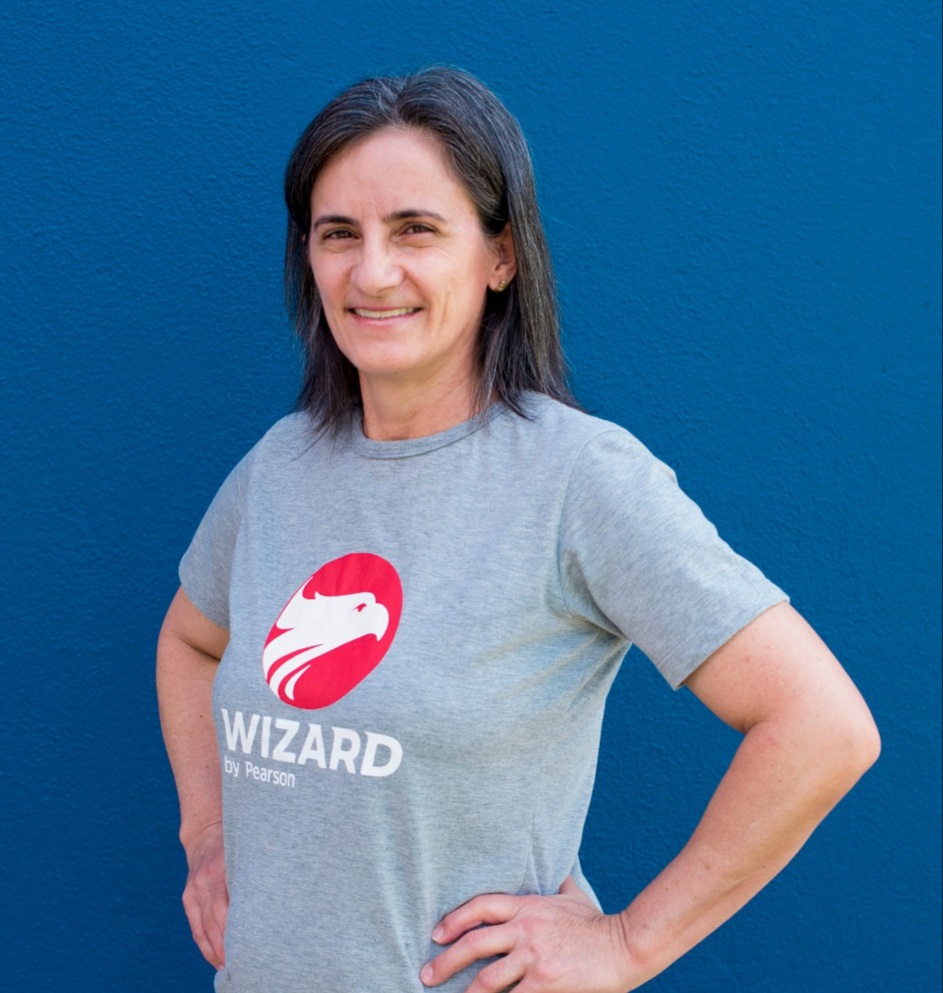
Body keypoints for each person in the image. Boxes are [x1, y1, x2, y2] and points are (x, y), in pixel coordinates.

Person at [156, 66, 880, 992]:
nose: (371, 272)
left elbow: (822, 725)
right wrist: (207, 831)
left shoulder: (577, 478)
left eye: (415, 229)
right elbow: (189, 641)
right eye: (338, 234)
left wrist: (628, 943)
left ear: (499, 256)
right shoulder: (280, 467)